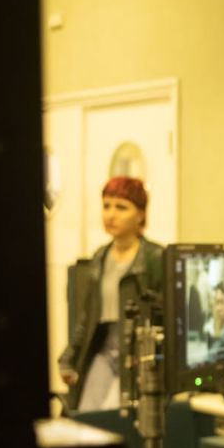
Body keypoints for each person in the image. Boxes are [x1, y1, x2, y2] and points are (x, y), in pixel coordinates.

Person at [57, 176, 165, 413]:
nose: (111, 214)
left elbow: (166, 317)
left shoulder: (155, 258)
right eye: (106, 206)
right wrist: (69, 357)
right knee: (89, 417)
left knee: (124, 419)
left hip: (139, 355)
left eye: (121, 207)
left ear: (140, 214)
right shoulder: (99, 258)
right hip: (104, 351)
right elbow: (87, 317)